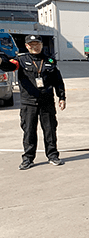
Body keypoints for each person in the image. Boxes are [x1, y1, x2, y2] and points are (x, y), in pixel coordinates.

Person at [0, 34, 66, 170]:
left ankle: (53, 156)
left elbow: (58, 81)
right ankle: (28, 159)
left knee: (50, 131)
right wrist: (1, 61)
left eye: (37, 44)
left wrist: (62, 97)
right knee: (29, 131)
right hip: (28, 103)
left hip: (47, 102)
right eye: (32, 44)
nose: (35, 47)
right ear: (27, 46)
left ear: (41, 45)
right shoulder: (21, 60)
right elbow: (9, 66)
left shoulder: (50, 61)